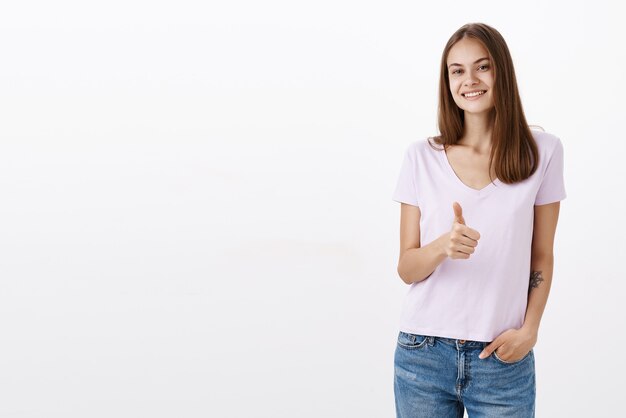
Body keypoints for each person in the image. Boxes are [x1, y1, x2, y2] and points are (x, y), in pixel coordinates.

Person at [391, 22, 566, 417]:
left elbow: (542, 255)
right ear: (447, 81)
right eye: (457, 71)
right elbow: (406, 267)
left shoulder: (543, 152)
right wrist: (442, 246)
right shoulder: (420, 157)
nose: (469, 80)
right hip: (423, 354)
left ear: (501, 71)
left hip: (502, 358)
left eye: (482, 67)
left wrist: (530, 331)